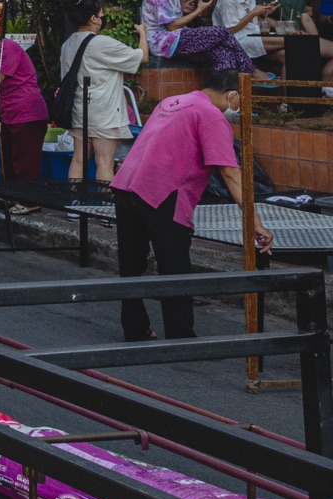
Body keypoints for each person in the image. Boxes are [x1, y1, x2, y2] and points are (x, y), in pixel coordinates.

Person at [111, 71, 271, 341]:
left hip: (127, 183)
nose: (240, 110)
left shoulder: (174, 101)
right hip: (163, 191)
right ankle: (181, 335)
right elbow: (230, 174)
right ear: (232, 96)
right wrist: (255, 222)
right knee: (174, 267)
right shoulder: (211, 116)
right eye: (242, 103)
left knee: (130, 264)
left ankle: (135, 329)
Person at [60, 0, 147, 183]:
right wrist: (142, 34)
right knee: (104, 163)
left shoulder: (67, 45)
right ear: (93, 18)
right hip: (104, 112)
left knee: (78, 160)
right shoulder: (102, 43)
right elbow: (142, 57)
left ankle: (74, 206)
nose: (103, 18)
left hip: (79, 109)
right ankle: (102, 208)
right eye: (101, 15)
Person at [141, 0, 255, 76]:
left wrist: (181, 10)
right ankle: (252, 70)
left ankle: (223, 90)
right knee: (222, 32)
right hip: (164, 42)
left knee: (222, 52)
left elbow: (165, 16)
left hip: (176, 38)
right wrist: (197, 11)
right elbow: (171, 27)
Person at [256, 0, 333, 82]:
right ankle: (288, 99)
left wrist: (314, 41)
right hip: (275, 41)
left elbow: (306, 19)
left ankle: (325, 83)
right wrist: (289, 30)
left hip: (299, 39)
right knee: (294, 56)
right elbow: (260, 18)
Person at [0, 36, 51, 183]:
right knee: (8, 159)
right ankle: (10, 197)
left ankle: (29, 203)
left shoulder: (7, 48)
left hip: (26, 112)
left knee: (25, 163)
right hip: (9, 113)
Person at [214, 0, 283, 69]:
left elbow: (254, 22)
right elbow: (230, 30)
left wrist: (264, 13)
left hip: (252, 36)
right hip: (235, 41)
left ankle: (287, 85)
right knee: (289, 41)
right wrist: (253, 13)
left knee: (285, 55)